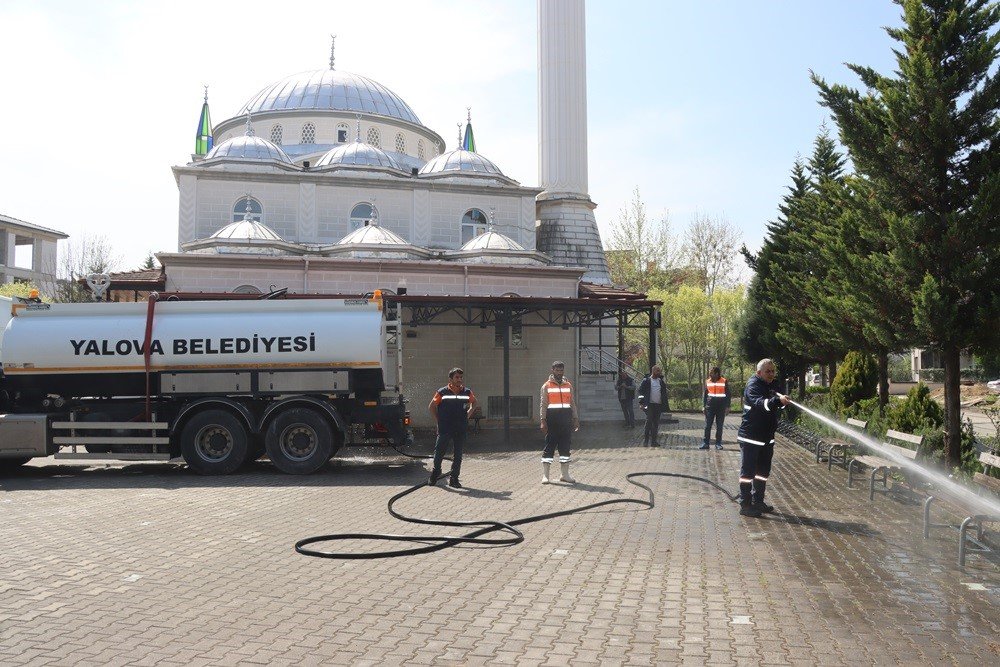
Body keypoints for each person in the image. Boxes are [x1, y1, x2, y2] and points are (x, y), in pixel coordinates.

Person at [736, 358, 791, 517]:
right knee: (748, 473)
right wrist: (776, 401)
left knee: (762, 472)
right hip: (751, 437)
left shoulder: (772, 384)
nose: (771, 374)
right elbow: (762, 404)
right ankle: (745, 505)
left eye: (773, 371)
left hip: (767, 437)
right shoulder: (753, 386)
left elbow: (775, 402)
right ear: (758, 372)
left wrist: (782, 401)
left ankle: (758, 501)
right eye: (768, 371)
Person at [428, 367, 477, 489]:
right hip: (445, 427)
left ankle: (454, 478)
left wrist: (469, 414)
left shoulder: (467, 392)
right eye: (457, 377)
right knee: (439, 452)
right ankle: (436, 472)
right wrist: (439, 420)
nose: (459, 380)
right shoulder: (442, 392)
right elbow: (432, 406)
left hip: (460, 427)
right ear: (451, 379)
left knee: (458, 454)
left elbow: (474, 402)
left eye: (461, 377)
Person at [540, 361, 579, 484]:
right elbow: (543, 404)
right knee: (549, 446)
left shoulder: (568, 385)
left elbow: (572, 403)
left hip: (566, 420)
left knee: (565, 447)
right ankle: (546, 476)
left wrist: (575, 418)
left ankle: (565, 475)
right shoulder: (546, 386)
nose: (559, 372)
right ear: (552, 370)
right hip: (552, 420)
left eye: (561, 370)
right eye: (557, 370)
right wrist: (543, 420)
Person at [701, 366, 731, 450]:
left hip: (721, 407)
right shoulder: (707, 381)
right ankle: (705, 443)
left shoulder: (724, 381)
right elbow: (705, 395)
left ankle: (718, 443)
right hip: (709, 407)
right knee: (707, 426)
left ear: (717, 374)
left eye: (712, 373)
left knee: (719, 426)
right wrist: (703, 406)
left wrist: (728, 406)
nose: (710, 374)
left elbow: (728, 394)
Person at [637, 365, 668, 447]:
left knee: (656, 423)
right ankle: (646, 441)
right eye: (657, 370)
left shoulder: (660, 381)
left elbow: (664, 393)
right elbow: (640, 392)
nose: (659, 372)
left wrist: (664, 404)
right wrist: (641, 403)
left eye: (659, 371)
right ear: (653, 371)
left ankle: (654, 441)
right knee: (649, 422)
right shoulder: (646, 381)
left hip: (658, 405)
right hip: (649, 404)